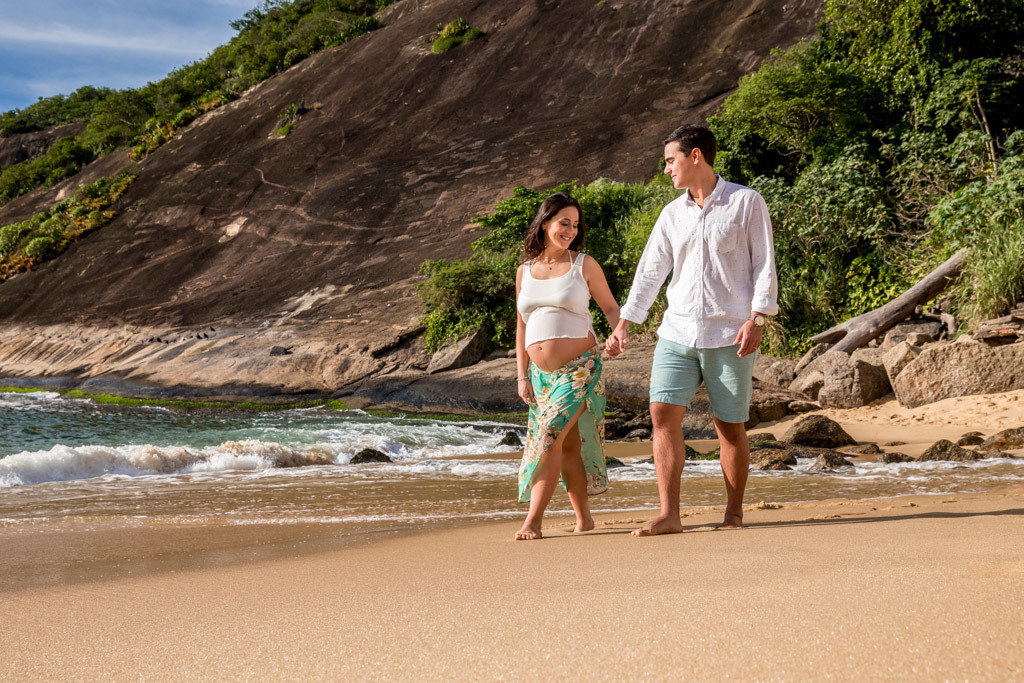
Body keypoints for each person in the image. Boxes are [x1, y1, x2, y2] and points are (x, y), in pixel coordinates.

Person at [605, 124, 778, 536]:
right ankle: (670, 515)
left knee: (728, 426)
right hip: (677, 332)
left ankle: (733, 513)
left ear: (695, 155)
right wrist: (625, 324)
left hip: (729, 335)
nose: (666, 169)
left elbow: (764, 265)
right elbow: (650, 273)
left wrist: (757, 319)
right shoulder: (671, 214)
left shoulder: (745, 202)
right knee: (661, 413)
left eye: (670, 160)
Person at [514, 192, 621, 541]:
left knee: (548, 436)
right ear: (545, 222)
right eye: (564, 223)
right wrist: (522, 375)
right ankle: (584, 519)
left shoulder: (583, 265)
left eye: (575, 225)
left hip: (580, 368)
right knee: (567, 443)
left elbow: (611, 309)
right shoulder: (524, 271)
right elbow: (522, 326)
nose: (571, 230)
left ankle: (533, 521)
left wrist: (618, 334)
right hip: (540, 376)